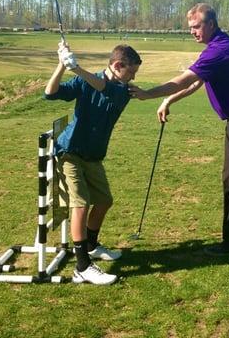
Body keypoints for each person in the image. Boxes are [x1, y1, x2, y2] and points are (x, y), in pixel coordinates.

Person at [129, 3, 229, 255]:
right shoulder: (217, 47)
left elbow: (182, 80)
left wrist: (146, 95)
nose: (192, 32)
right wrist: (168, 101)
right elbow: (197, 81)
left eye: (196, 27)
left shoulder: (219, 50)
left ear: (210, 24)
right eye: (190, 28)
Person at [45, 42, 142, 283]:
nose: (132, 77)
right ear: (118, 65)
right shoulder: (85, 82)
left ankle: (90, 245)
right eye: (130, 72)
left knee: (104, 201)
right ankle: (82, 267)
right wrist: (61, 65)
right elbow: (50, 93)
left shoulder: (123, 91)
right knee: (81, 204)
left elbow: (103, 88)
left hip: (94, 156)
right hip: (69, 152)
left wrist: (76, 68)